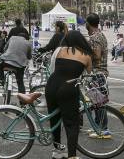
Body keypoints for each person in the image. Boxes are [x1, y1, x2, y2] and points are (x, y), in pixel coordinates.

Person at [46, 30, 93, 159]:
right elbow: (89, 75)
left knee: (54, 119)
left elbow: (52, 68)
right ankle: (72, 155)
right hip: (69, 87)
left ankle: (56, 151)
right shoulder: (86, 55)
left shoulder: (59, 50)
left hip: (52, 85)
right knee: (72, 123)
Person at [85, 13, 110, 139]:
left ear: (88, 23)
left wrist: (85, 54)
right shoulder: (101, 35)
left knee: (99, 103)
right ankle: (97, 125)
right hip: (100, 72)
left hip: (97, 72)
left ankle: (103, 129)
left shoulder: (94, 37)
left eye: (86, 22)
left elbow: (97, 55)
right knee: (97, 102)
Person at [0, 29, 32, 93]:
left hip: (7, 62)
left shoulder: (12, 38)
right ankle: (22, 101)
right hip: (19, 65)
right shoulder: (28, 43)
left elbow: (5, 48)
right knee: (20, 82)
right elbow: (29, 56)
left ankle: (1, 80)